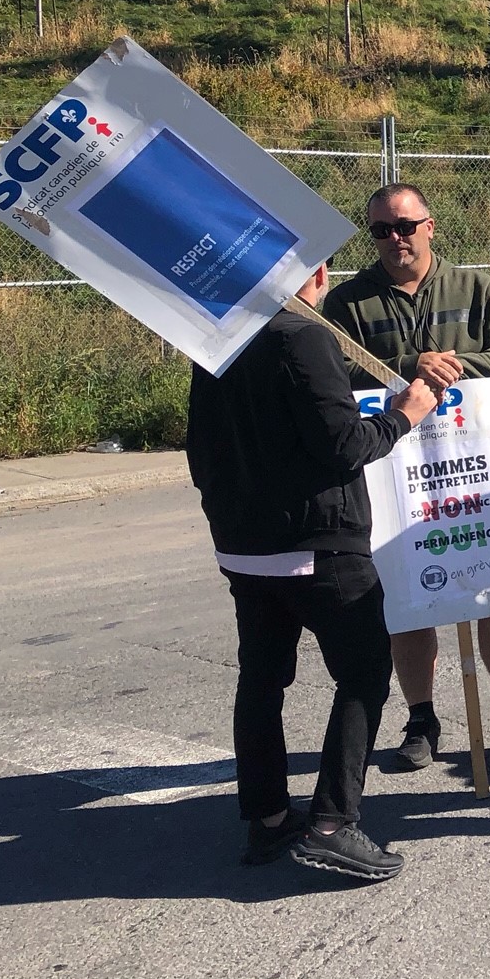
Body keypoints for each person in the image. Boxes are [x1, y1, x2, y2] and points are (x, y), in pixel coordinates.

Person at [188, 264, 438, 882]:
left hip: (244, 546)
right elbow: (345, 445)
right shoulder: (301, 335)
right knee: (363, 673)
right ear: (318, 273)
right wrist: (406, 413)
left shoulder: (215, 342)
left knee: (263, 679)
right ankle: (332, 824)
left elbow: (200, 449)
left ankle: (268, 819)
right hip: (317, 545)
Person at [322, 183, 490, 771]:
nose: (395, 239)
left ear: (430, 226)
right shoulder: (349, 302)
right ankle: (422, 718)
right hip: (395, 473)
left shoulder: (474, 288)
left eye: (405, 226)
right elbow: (334, 375)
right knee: (406, 597)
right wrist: (403, 368)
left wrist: (456, 364)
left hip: (475, 469)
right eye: (381, 231)